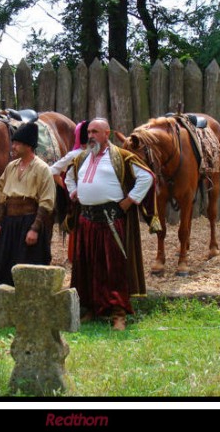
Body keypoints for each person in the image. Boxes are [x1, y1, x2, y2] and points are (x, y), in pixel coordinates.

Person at [65, 118, 154, 330]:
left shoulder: (121, 157)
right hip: (86, 221)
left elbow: (147, 177)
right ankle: (91, 309)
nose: (91, 136)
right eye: (89, 132)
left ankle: (118, 314)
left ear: (107, 133)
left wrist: (129, 201)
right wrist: (74, 191)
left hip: (110, 221)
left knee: (113, 268)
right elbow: (68, 176)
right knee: (86, 267)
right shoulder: (82, 157)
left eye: (95, 132)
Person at [0, 122, 57, 318]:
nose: (13, 147)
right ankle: (1, 308)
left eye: (17, 144)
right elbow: (2, 198)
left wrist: (34, 229)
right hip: (10, 224)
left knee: (27, 265)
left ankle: (28, 310)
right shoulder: (11, 167)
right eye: (13, 143)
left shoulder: (42, 169)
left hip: (29, 222)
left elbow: (46, 202)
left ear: (28, 146)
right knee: (4, 263)